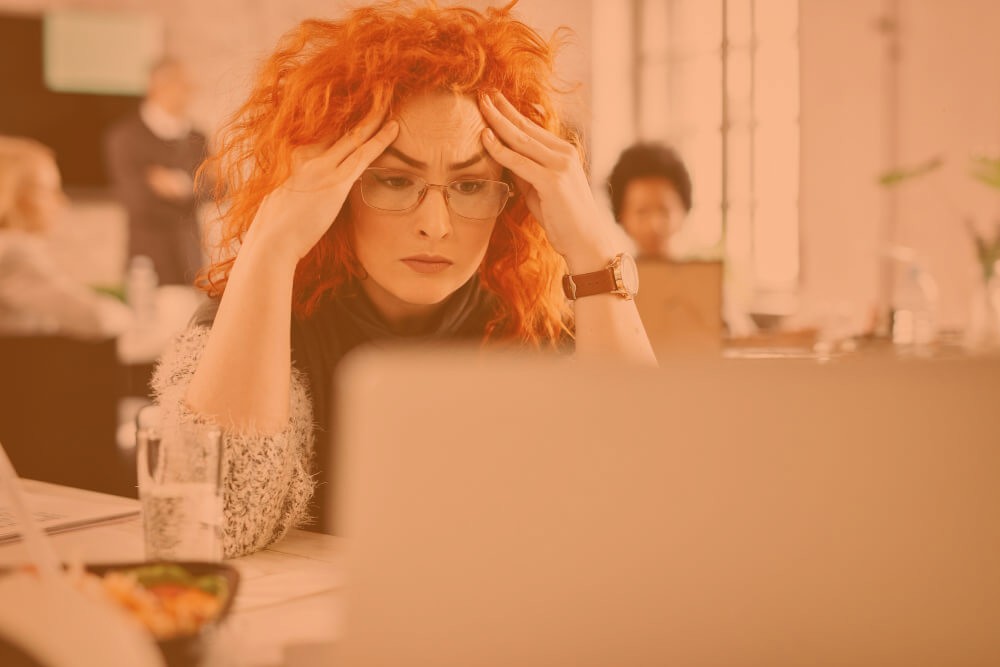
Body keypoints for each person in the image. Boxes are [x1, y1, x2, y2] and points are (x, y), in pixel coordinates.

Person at [151, 1, 657, 557]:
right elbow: (215, 525)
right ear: (336, 189)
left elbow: (647, 505)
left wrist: (592, 250)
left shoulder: (534, 322)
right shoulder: (263, 311)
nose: (435, 226)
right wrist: (271, 247)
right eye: (394, 180)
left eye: (470, 187)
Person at [0, 136, 130, 338]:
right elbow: (96, 318)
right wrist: (131, 317)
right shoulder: (14, 253)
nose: (62, 202)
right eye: (50, 191)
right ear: (18, 195)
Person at [104, 58, 208, 285]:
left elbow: (218, 188)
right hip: (148, 261)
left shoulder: (197, 138)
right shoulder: (125, 137)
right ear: (159, 87)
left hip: (191, 259)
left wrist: (179, 185)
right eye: (184, 86)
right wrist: (192, 192)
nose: (191, 92)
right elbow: (137, 200)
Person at [606, 142, 692, 259]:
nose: (654, 225)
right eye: (642, 212)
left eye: (664, 211)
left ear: (683, 210)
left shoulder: (705, 275)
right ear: (622, 216)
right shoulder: (612, 275)